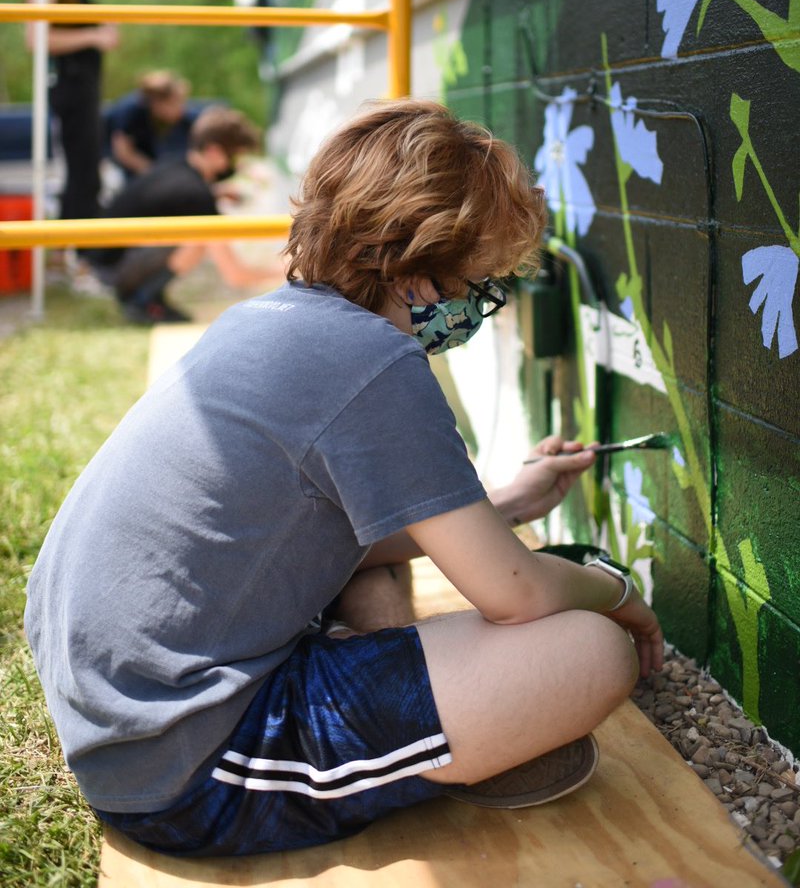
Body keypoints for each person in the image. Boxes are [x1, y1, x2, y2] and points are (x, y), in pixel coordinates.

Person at [25, 99, 663, 859]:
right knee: (591, 651)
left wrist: (508, 500)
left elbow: (322, 529)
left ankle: (433, 730)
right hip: (187, 770)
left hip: (122, 708)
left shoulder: (271, 320)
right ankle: (438, 750)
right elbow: (517, 592)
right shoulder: (379, 362)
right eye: (481, 283)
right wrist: (619, 594)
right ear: (420, 267)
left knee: (372, 575)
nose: (478, 308)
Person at [88, 104, 272, 324]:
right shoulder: (195, 195)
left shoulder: (177, 166)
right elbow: (235, 274)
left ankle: (147, 295)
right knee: (199, 240)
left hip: (103, 258)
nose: (236, 167)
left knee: (199, 233)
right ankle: (142, 300)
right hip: (112, 270)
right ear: (213, 151)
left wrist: (219, 193)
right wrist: (284, 272)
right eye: (234, 160)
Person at [25, 0, 119, 222]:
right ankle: (75, 252)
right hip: (68, 86)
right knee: (79, 173)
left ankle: (79, 252)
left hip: (82, 87)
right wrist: (94, 34)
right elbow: (36, 38)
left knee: (87, 172)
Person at [108, 69, 193, 181]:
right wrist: (155, 174)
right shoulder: (133, 110)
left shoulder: (161, 119)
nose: (181, 110)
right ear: (159, 103)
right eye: (175, 104)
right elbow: (123, 152)